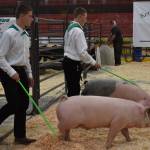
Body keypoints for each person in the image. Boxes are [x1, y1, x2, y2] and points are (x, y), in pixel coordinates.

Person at [0, 2, 36, 144]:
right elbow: (0, 57)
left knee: (24, 104)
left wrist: (30, 74)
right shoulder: (9, 34)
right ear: (21, 16)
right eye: (30, 16)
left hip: (21, 71)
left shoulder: (26, 35)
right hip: (8, 71)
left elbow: (26, 58)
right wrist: (11, 72)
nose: (31, 19)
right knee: (14, 104)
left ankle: (20, 136)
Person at [63, 7, 100, 97]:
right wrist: (94, 62)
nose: (86, 20)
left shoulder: (69, 28)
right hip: (73, 63)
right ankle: (72, 109)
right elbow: (82, 52)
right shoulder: (78, 31)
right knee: (75, 90)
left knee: (71, 88)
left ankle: (70, 108)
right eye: (85, 17)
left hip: (67, 62)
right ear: (80, 16)